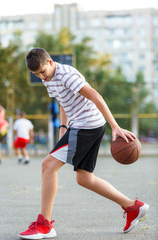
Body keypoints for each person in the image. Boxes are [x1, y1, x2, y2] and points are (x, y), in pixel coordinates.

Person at [19, 48, 149, 239]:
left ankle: (44, 224)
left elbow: (96, 96)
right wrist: (63, 127)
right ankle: (132, 207)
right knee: (84, 178)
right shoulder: (49, 78)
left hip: (87, 125)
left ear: (51, 62)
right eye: (36, 75)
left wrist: (116, 127)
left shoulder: (67, 75)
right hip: (85, 125)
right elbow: (62, 100)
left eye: (42, 72)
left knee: (48, 166)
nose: (41, 77)